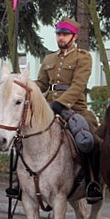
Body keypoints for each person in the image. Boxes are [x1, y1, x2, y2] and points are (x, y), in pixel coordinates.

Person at [34, 17, 103, 204]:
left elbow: (78, 85)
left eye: (65, 34)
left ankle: (92, 182)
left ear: (74, 36)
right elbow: (41, 84)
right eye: (59, 34)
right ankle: (21, 181)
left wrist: (61, 104)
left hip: (75, 108)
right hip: (48, 107)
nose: (61, 38)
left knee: (88, 139)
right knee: (23, 134)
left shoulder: (83, 57)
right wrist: (23, 88)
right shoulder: (49, 58)